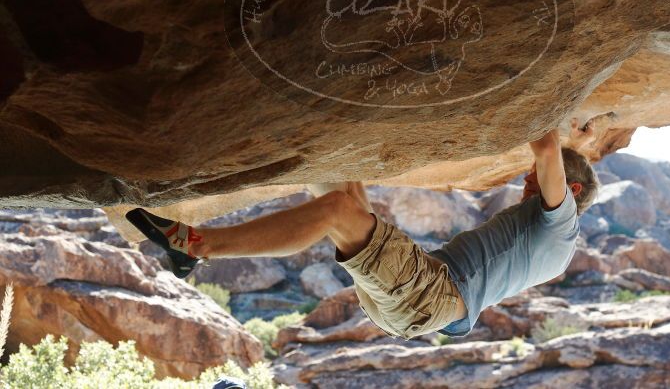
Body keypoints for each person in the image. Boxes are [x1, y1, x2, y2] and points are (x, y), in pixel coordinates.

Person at [126, 118, 599, 339]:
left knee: (336, 210)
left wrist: (555, 108)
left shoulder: (559, 226)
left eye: (534, 182)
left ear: (571, 192)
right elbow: (549, 163)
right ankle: (290, 125)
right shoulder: (554, 244)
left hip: (433, 295)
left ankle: (194, 245)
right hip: (418, 306)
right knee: (345, 190)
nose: (525, 181)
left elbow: (544, 149)